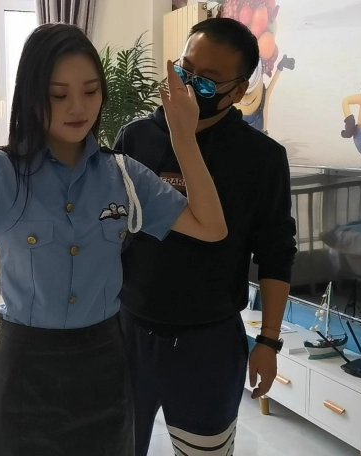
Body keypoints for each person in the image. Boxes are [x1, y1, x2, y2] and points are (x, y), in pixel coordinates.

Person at [0, 23, 228, 455]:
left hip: (103, 369)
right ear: (31, 96)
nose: (77, 107)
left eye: (90, 91)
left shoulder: (122, 176)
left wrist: (184, 138)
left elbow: (211, 227)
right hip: (23, 374)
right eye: (58, 95)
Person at [114, 18, 298, 455]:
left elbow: (276, 254)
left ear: (238, 91)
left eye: (207, 83)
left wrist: (268, 341)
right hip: (127, 333)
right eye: (185, 71)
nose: (189, 86)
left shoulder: (261, 158)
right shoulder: (136, 138)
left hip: (208, 345)